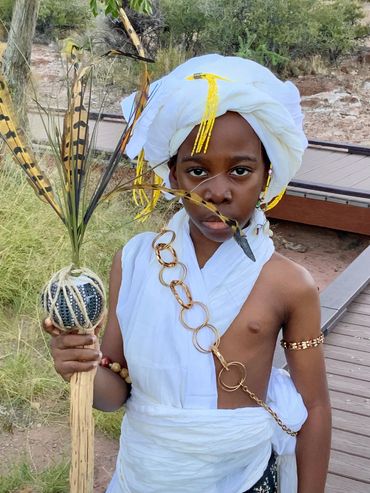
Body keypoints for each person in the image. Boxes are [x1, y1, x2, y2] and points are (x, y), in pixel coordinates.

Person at [44, 54, 331, 493]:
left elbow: (314, 404)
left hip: (245, 479)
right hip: (144, 476)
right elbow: (113, 393)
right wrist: (78, 367)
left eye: (241, 170)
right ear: (173, 175)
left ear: (267, 174)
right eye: (197, 171)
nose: (217, 191)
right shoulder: (136, 261)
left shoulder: (290, 284)